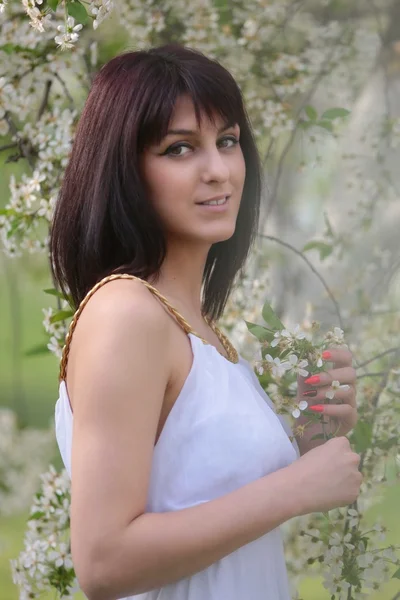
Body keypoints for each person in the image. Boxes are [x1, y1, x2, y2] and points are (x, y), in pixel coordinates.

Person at [51, 43, 361, 600]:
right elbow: (103, 562)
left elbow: (205, 513)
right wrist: (294, 489)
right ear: (126, 170)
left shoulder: (199, 328)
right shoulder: (127, 313)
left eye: (227, 141)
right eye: (179, 149)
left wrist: (310, 442)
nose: (217, 170)